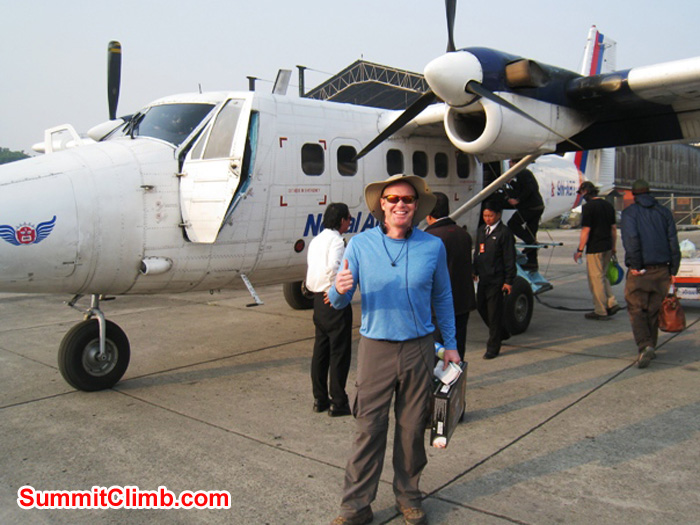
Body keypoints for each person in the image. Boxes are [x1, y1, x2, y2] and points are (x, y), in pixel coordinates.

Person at [328, 174, 459, 525]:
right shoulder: (359, 246)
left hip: (419, 348)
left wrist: (451, 346)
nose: (401, 204)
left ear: (417, 207)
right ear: (381, 206)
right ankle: (355, 507)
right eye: (393, 199)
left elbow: (443, 297)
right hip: (376, 349)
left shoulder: (432, 246)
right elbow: (336, 301)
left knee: (412, 429)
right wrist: (339, 289)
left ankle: (409, 496)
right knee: (368, 430)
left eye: (408, 199)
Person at [621, 179, 681, 368]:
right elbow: (673, 240)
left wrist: (636, 266)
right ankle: (651, 345)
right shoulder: (664, 212)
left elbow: (631, 240)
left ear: (634, 194)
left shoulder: (630, 213)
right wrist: (673, 269)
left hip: (641, 269)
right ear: (649, 192)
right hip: (662, 268)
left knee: (636, 308)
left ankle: (645, 345)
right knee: (654, 310)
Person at [305, 203, 354, 416]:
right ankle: (338, 401)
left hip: (317, 299)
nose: (349, 222)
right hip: (331, 299)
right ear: (341, 220)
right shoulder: (336, 241)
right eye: (348, 218)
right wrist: (335, 291)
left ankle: (320, 398)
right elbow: (335, 267)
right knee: (339, 353)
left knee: (321, 352)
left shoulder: (316, 240)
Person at [425, 192, 476, 360]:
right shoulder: (463, 234)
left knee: (436, 352)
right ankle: (455, 382)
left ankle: (437, 385)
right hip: (462, 303)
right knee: (457, 349)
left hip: (438, 307)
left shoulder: (430, 239)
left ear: (428, 213)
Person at [473, 200, 516, 360]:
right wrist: (474, 269)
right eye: (485, 215)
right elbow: (478, 252)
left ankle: (493, 347)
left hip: (497, 279)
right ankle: (502, 332)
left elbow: (509, 258)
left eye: (490, 215)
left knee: (494, 313)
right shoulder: (482, 230)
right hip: (483, 277)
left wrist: (509, 280)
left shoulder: (504, 233)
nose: (487, 218)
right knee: (481, 306)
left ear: (498, 215)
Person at [573, 181, 621, 320]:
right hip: (607, 246)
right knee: (603, 276)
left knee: (595, 279)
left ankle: (600, 310)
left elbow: (586, 230)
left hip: (595, 248)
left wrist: (580, 249)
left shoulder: (588, 207)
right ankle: (611, 302)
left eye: (581, 193)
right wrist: (613, 247)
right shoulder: (608, 205)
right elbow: (613, 228)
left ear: (585, 192)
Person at [505, 159, 544, 271]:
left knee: (513, 223)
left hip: (530, 207)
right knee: (531, 232)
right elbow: (521, 188)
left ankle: (530, 242)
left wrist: (518, 200)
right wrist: (511, 183)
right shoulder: (523, 174)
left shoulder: (523, 172)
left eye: (511, 163)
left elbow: (528, 189)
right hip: (536, 206)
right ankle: (532, 263)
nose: (510, 165)